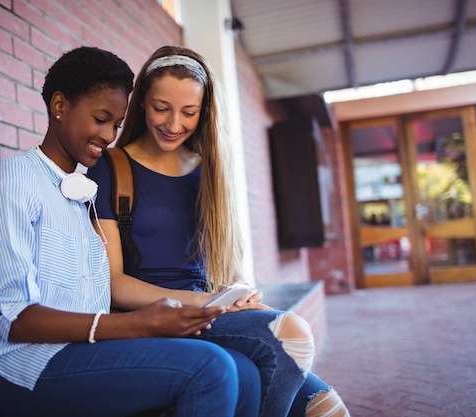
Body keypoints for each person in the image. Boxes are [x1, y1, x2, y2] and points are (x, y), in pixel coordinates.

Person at [0, 46, 262, 417]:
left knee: (244, 373)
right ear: (59, 105)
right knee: (210, 369)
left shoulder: (82, 193)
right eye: (100, 119)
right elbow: (13, 319)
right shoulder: (16, 179)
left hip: (83, 352)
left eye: (117, 125)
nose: (109, 135)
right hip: (15, 367)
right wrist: (136, 324)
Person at [87, 45, 350, 417]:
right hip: (155, 318)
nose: (173, 124)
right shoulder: (111, 169)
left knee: (328, 409)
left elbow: (223, 264)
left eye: (189, 112)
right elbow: (112, 284)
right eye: (161, 108)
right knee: (292, 334)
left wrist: (240, 294)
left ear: (204, 112)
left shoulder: (207, 171)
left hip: (211, 314)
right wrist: (208, 304)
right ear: (142, 100)